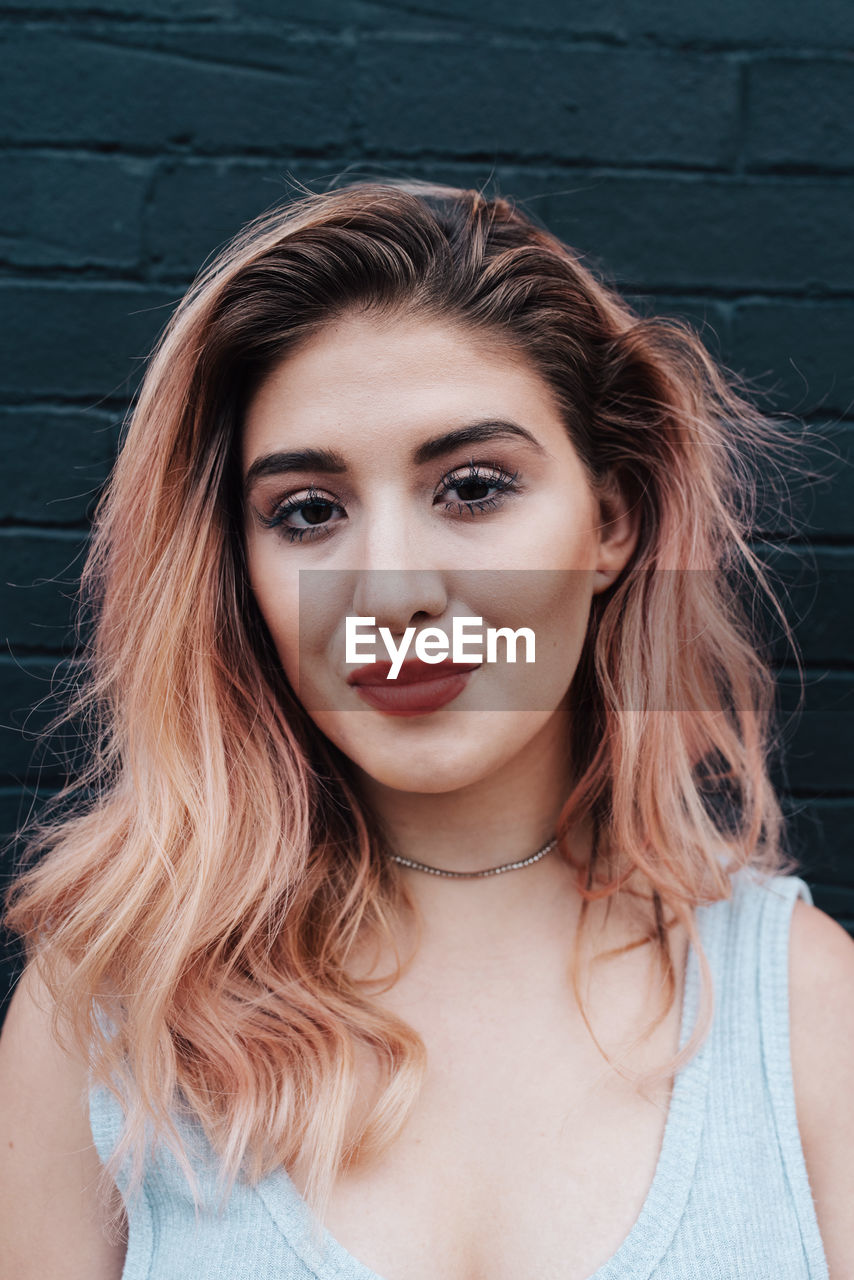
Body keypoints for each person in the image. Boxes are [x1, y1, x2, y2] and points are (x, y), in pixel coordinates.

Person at [0, 178, 850, 1280]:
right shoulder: (107, 1013)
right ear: (240, 571)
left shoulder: (807, 1009)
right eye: (307, 510)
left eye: (472, 487)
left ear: (609, 520)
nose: (390, 591)